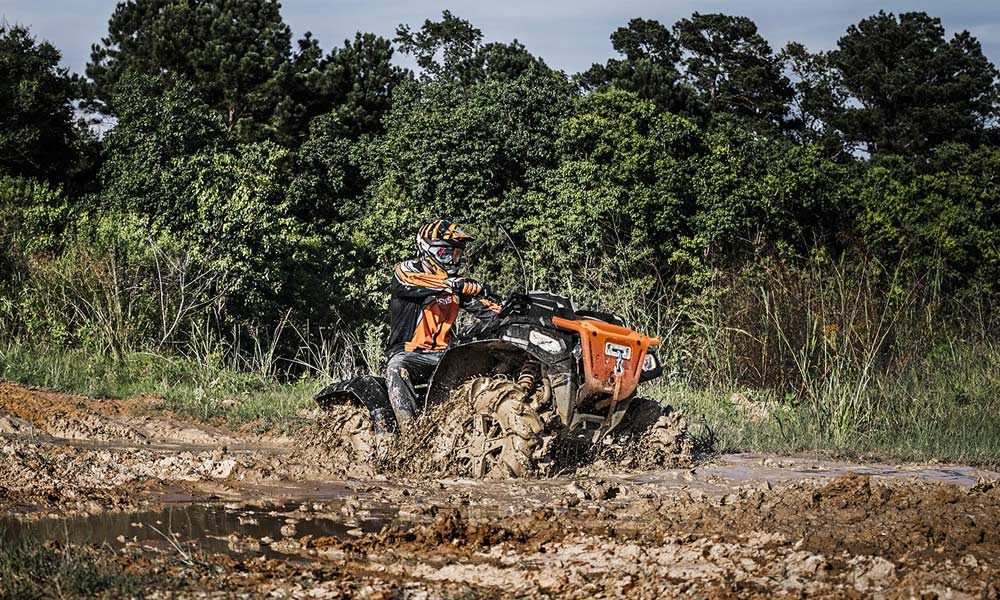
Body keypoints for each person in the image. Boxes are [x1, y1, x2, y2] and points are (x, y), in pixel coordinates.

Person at [385, 218, 501, 429]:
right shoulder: (407, 270)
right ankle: (410, 434)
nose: (451, 259)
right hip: (410, 353)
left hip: (446, 355)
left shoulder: (457, 285)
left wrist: (513, 313)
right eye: (445, 253)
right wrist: (454, 285)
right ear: (426, 249)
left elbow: (489, 311)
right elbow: (412, 280)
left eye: (455, 253)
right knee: (396, 368)